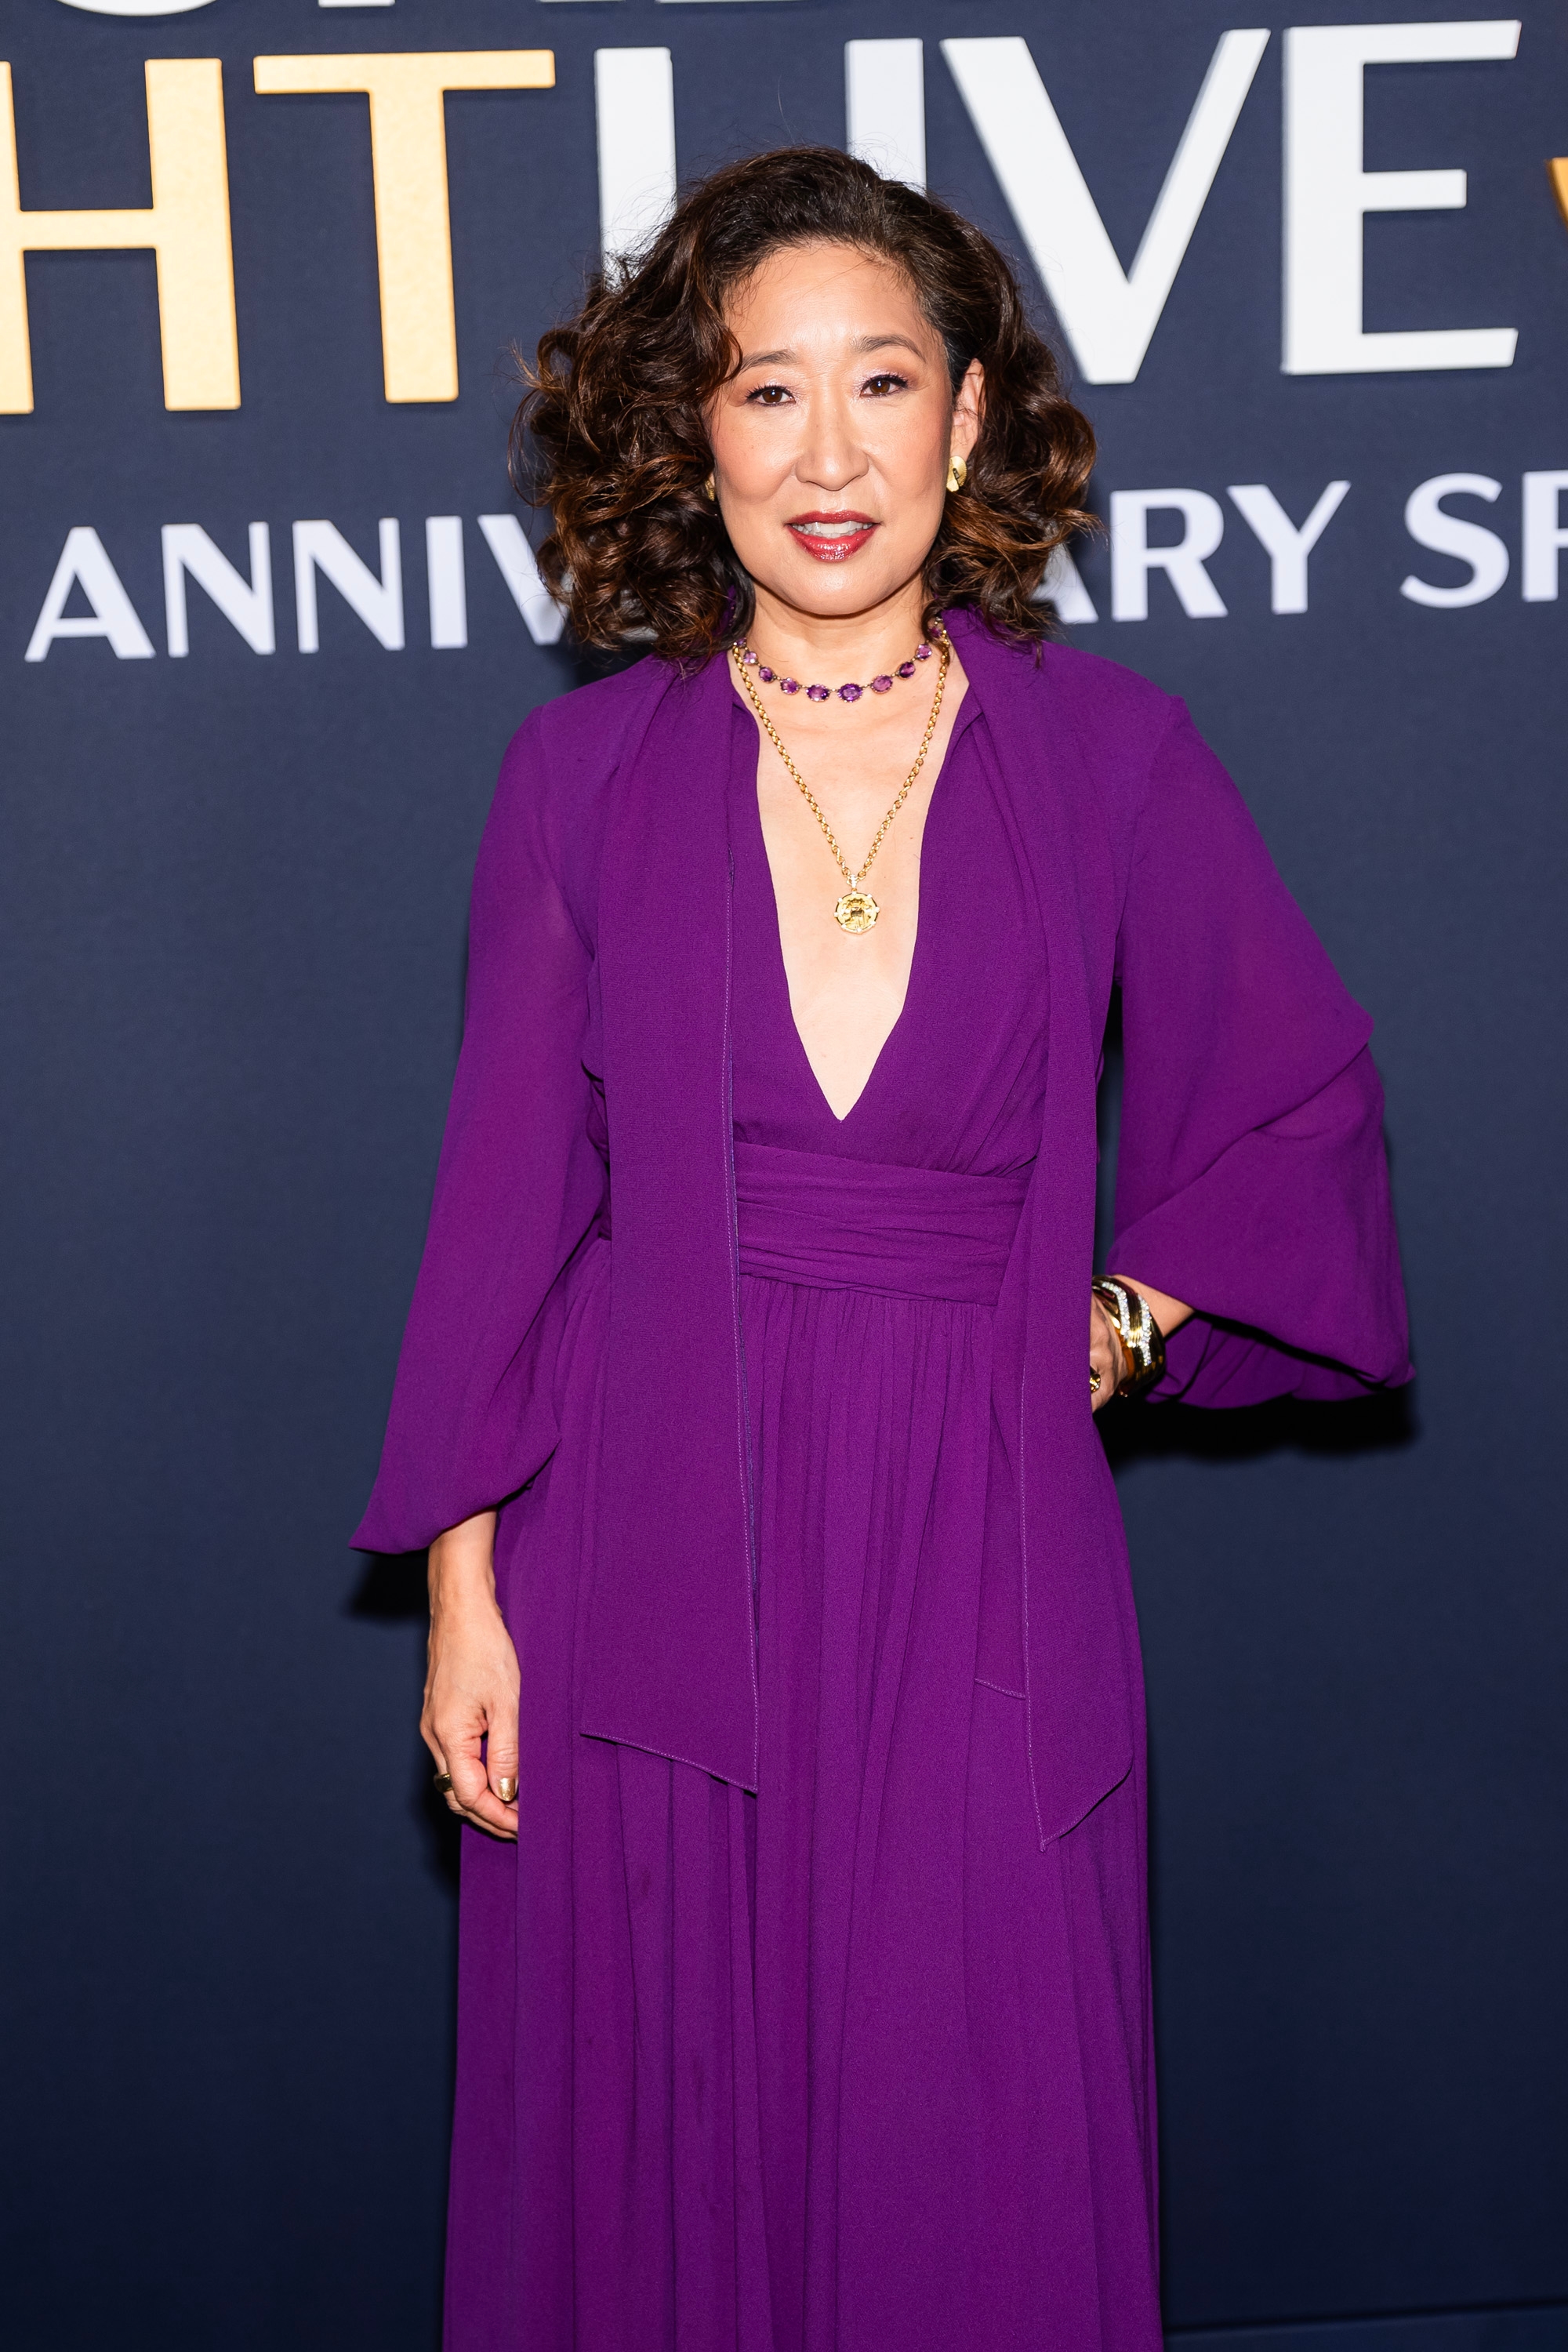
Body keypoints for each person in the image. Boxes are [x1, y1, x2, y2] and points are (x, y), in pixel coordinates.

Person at [354, 148, 1410, 2352]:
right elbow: (500, 1211)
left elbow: (1298, 1105)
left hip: (981, 1543)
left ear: (968, 414)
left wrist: (1118, 1324)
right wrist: (463, 1594)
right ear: (694, 431)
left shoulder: (1111, 757)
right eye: (766, 391)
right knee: (665, 2141)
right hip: (637, 1552)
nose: (827, 457)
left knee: (976, 2131)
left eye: (882, 383)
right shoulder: (576, 780)